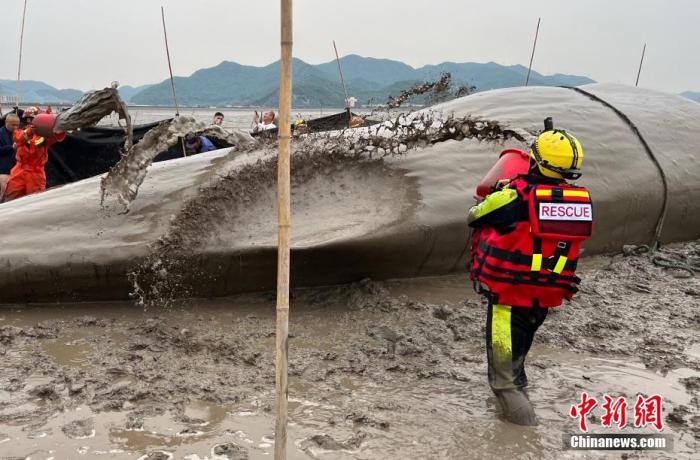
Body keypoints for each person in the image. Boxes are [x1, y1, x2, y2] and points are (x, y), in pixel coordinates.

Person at [467, 118, 593, 426]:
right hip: (542, 300)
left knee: (502, 380)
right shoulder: (578, 201)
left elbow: (475, 215)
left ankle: (523, 434)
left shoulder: (513, 197)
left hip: (507, 300)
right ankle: (514, 401)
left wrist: (501, 190)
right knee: (516, 359)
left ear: (535, 161)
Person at [3, 108, 66, 202]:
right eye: (27, 119)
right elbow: (19, 139)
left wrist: (57, 124)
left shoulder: (45, 137)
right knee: (9, 199)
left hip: (36, 173)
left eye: (31, 119)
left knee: (35, 202)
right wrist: (30, 131)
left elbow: (52, 137)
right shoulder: (19, 132)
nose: (29, 122)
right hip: (20, 170)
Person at [0, 113, 20, 197]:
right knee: (4, 192)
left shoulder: (19, 133)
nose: (15, 127)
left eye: (17, 125)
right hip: (3, 170)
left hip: (17, 169)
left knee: (16, 193)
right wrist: (11, 147)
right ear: (6, 122)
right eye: (13, 125)